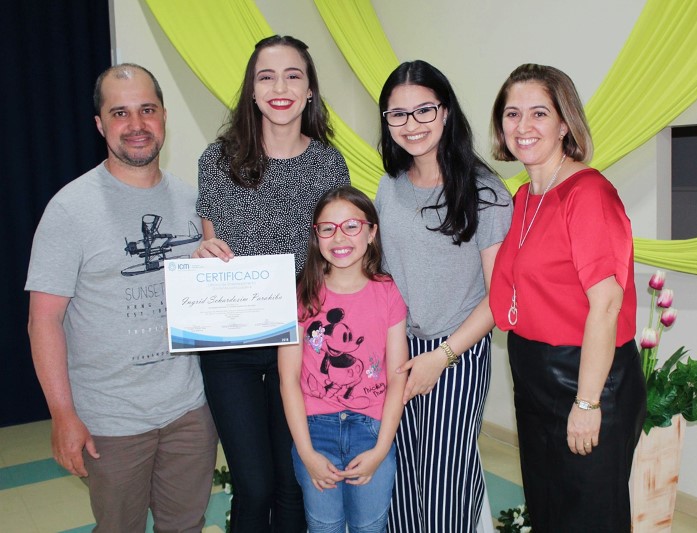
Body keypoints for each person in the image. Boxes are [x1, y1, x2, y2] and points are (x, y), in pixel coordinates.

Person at [25, 63, 217, 532]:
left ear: (164, 117)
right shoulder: (69, 209)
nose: (136, 125)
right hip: (109, 420)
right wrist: (63, 416)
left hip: (189, 411)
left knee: (186, 526)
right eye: (120, 113)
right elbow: (43, 321)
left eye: (147, 110)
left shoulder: (194, 202)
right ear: (100, 124)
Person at [192, 35, 350, 532]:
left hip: (302, 345)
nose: (280, 88)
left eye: (292, 76)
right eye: (267, 77)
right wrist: (205, 255)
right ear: (252, 90)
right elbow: (213, 247)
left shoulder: (329, 164)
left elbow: (338, 257)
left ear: (310, 90)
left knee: (292, 483)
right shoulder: (218, 160)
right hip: (231, 348)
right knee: (254, 485)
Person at [488, 63, 646, 532]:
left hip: (588, 377)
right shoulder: (522, 197)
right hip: (534, 376)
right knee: (549, 513)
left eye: (539, 113)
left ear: (564, 124)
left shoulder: (589, 193)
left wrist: (588, 403)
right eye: (512, 114)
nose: (523, 125)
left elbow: (607, 304)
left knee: (590, 519)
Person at [374, 60, 513, 533]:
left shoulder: (485, 192)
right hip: (398, 349)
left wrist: (443, 356)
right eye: (398, 114)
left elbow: (499, 297)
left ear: (446, 111)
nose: (411, 124)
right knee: (398, 485)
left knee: (442, 491)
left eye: (424, 110)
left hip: (457, 353)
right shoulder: (389, 187)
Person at [278, 185, 408, 533]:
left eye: (351, 226)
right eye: (327, 228)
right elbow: (288, 379)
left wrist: (381, 449)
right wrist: (306, 453)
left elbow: (398, 376)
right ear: (316, 236)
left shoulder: (388, 292)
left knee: (370, 525)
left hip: (371, 431)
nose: (339, 237)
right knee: (323, 525)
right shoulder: (302, 295)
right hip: (314, 432)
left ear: (371, 232)